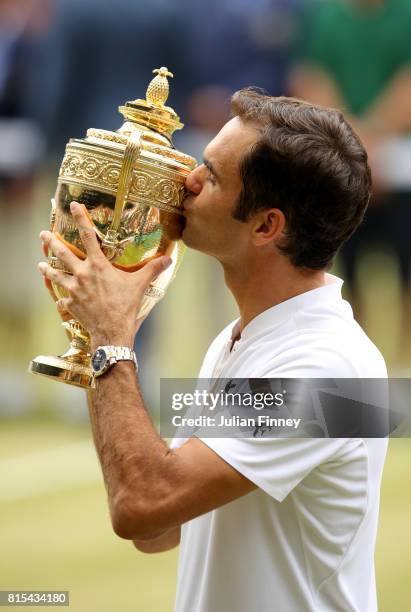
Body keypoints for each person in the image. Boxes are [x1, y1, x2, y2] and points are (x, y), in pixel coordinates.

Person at [38, 90, 388, 612]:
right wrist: (98, 334)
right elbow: (158, 529)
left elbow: (142, 506)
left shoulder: (326, 370)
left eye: (212, 174)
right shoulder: (240, 338)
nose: (187, 181)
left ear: (267, 226)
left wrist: (112, 339)